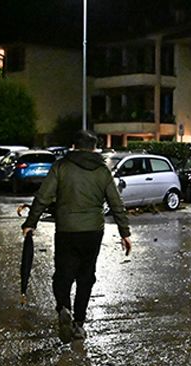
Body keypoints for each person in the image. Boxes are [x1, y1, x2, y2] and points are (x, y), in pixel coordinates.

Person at [21, 130, 132, 344]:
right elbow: (116, 203)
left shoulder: (61, 166)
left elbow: (43, 197)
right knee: (86, 278)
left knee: (62, 275)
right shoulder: (102, 170)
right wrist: (124, 233)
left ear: (73, 146)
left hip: (66, 231)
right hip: (93, 232)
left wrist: (30, 223)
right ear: (94, 148)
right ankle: (79, 324)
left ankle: (64, 308)